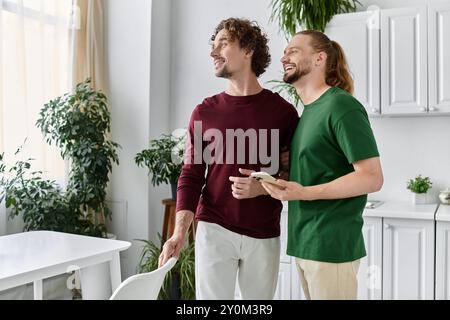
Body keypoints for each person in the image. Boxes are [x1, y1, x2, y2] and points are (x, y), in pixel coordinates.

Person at [158, 18, 299, 299]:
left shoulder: (283, 113)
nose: (213, 52)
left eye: (223, 43)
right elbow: (191, 174)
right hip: (214, 227)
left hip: (264, 230)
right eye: (212, 45)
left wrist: (262, 187)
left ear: (247, 49)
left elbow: (294, 173)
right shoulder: (204, 112)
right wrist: (179, 233)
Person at [261, 30, 384, 300]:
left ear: (319, 59)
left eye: (293, 50)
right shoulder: (308, 112)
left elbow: (371, 177)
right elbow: (315, 170)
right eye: (285, 52)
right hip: (305, 242)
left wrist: (303, 192)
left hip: (330, 245)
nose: (284, 58)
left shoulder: (341, 106)